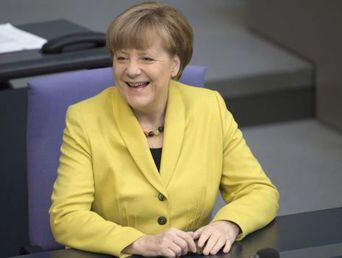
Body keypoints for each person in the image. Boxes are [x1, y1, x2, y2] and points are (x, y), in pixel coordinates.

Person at [50, 2, 279, 257]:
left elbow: (259, 191)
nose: (131, 70)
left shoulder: (209, 107)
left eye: (146, 58)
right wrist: (140, 242)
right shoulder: (85, 118)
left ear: (174, 65)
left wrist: (229, 224)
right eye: (121, 57)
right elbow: (66, 218)